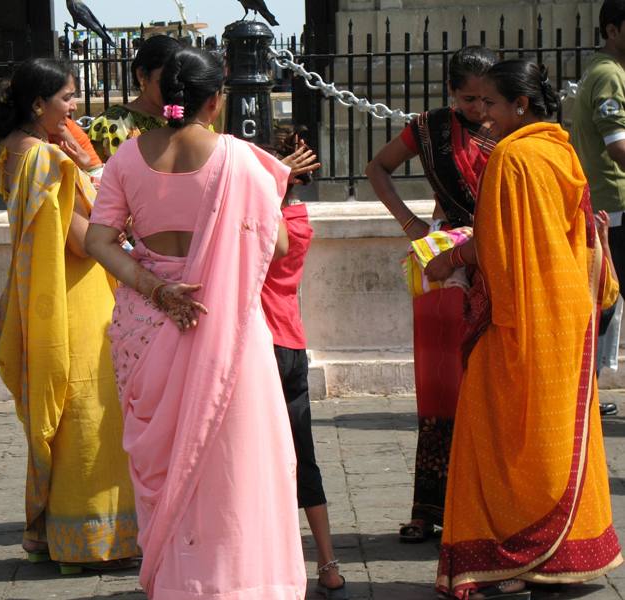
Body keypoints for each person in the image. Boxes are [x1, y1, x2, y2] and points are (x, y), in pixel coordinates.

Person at [84, 47, 307, 599]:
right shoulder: (241, 159)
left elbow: (98, 241)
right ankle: (242, 582)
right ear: (217, 99)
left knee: (169, 463)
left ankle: (180, 583)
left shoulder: (127, 159)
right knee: (235, 462)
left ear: (163, 97)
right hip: (226, 327)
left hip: (147, 326)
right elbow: (275, 245)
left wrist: (156, 288)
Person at [426, 59, 622, 599]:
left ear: (521, 105)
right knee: (561, 435)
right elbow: (581, 236)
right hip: (568, 318)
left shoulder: (511, 157)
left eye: (490, 104)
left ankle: (509, 553)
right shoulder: (560, 148)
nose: (482, 116)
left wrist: (450, 263)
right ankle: (567, 547)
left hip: (517, 320)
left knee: (494, 437)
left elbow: (495, 248)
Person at [0, 58, 138, 573]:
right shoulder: (46, 160)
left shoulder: (11, 150)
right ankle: (89, 542)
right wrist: (94, 177)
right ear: (38, 104)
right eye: (67, 98)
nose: (74, 108)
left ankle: (49, 532)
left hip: (42, 297)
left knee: (61, 414)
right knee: (88, 413)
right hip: (77, 298)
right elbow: (84, 243)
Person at [365, 46, 497, 543]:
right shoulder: (430, 128)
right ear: (450, 93)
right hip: (445, 265)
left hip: (497, 263)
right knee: (440, 384)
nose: (480, 110)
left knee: (484, 387)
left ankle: (481, 508)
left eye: (488, 99)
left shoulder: (509, 126)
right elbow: (376, 167)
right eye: (469, 99)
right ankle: (428, 507)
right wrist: (412, 225)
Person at [261, 130, 347, 600]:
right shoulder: (299, 215)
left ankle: (271, 560)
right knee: (303, 455)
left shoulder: (266, 222)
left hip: (262, 347)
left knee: (263, 458)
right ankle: (328, 563)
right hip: (292, 344)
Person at [572, 0, 625, 417]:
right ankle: (577, 391)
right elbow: (617, 145)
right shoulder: (609, 74)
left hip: (611, 208)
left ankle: (579, 390)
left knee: (604, 303)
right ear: (612, 30)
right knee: (603, 305)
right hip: (616, 207)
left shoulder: (608, 71)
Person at [89, 35, 181, 161]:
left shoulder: (193, 118)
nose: (175, 89)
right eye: (166, 82)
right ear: (142, 75)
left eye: (181, 82)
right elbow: (96, 175)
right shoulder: (111, 125)